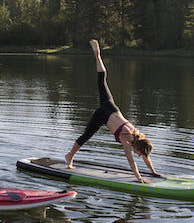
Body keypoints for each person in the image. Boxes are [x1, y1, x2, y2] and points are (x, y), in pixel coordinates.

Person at [64, 40, 161, 183]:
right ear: (138, 147)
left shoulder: (138, 135)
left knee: (102, 81)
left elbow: (146, 156)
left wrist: (153, 172)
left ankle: (98, 56)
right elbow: (131, 161)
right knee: (86, 135)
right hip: (101, 115)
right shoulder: (127, 140)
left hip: (111, 107)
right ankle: (69, 157)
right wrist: (138, 178)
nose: (139, 156)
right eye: (140, 154)